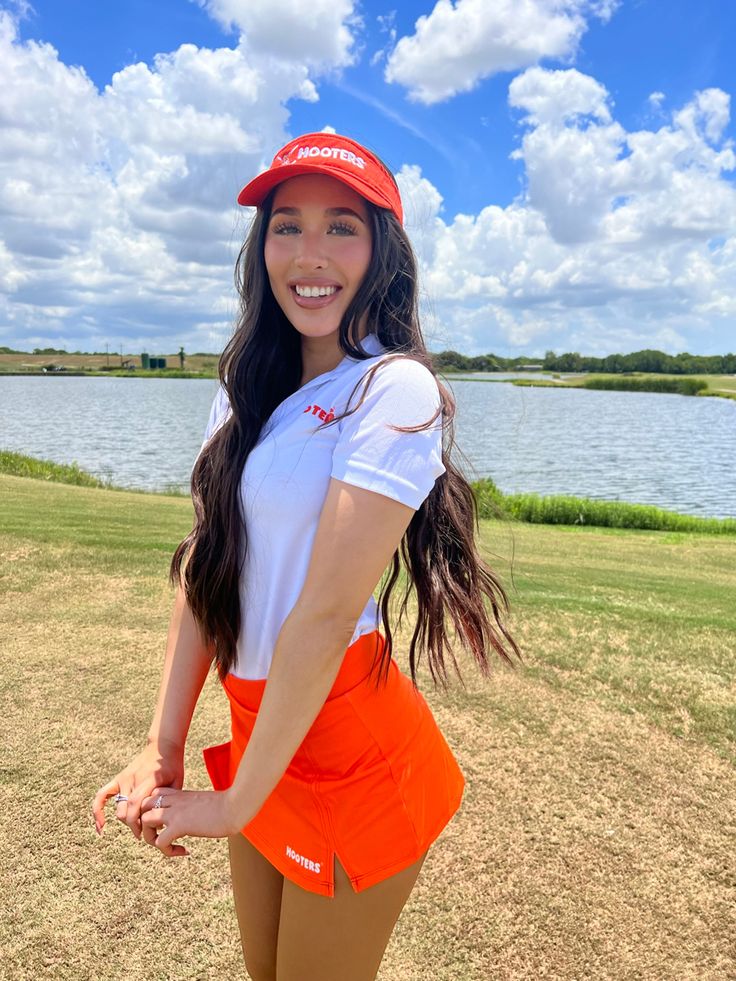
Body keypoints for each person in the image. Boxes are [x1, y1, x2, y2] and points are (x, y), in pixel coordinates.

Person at [92, 131, 522, 981]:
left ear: (382, 252)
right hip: (264, 731)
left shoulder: (391, 389)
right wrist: (164, 741)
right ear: (262, 249)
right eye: (287, 226)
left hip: (352, 750)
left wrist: (233, 802)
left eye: (342, 227)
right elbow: (205, 568)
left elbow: (323, 618)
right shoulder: (244, 387)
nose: (310, 254)